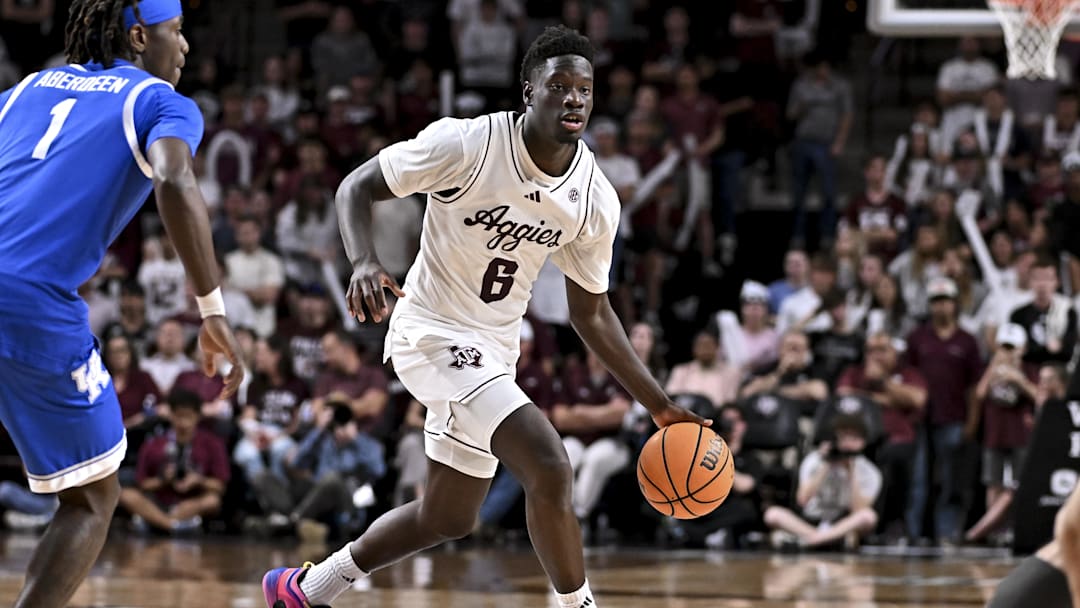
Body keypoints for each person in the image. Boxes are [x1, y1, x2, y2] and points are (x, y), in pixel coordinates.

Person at [262, 25, 710, 608]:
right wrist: (364, 260)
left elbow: (592, 314)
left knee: (445, 516)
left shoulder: (594, 197)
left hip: (492, 353)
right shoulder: (468, 145)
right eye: (560, 86)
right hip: (428, 333)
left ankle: (307, 588)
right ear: (529, 91)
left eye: (585, 89)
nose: (574, 98)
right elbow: (357, 186)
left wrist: (659, 404)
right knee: (550, 464)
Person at [0, 1, 243, 606]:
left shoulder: (28, 87)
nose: (184, 47)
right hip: (30, 300)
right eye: (176, 32)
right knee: (92, 496)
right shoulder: (160, 101)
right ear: (139, 36)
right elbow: (173, 178)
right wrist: (211, 308)